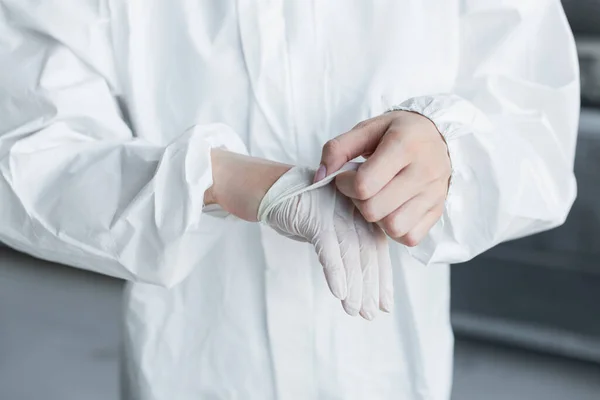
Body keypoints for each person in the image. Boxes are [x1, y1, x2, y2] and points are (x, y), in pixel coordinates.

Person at [0, 0, 579, 399]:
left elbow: (536, 127)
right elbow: (26, 152)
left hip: (387, 371)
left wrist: (448, 152)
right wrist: (219, 179)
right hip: (196, 368)